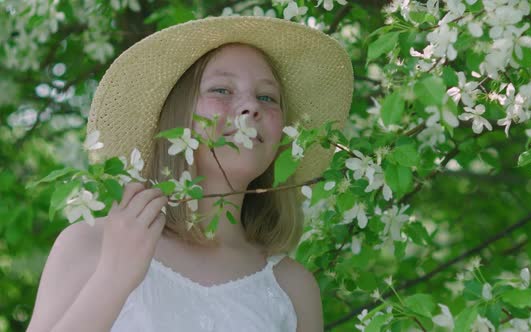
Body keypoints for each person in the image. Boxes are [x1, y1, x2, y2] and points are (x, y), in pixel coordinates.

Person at [26, 15, 352, 332]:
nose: (251, 107)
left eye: (267, 97)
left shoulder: (292, 289)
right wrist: (114, 274)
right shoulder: (92, 243)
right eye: (222, 90)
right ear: (176, 118)